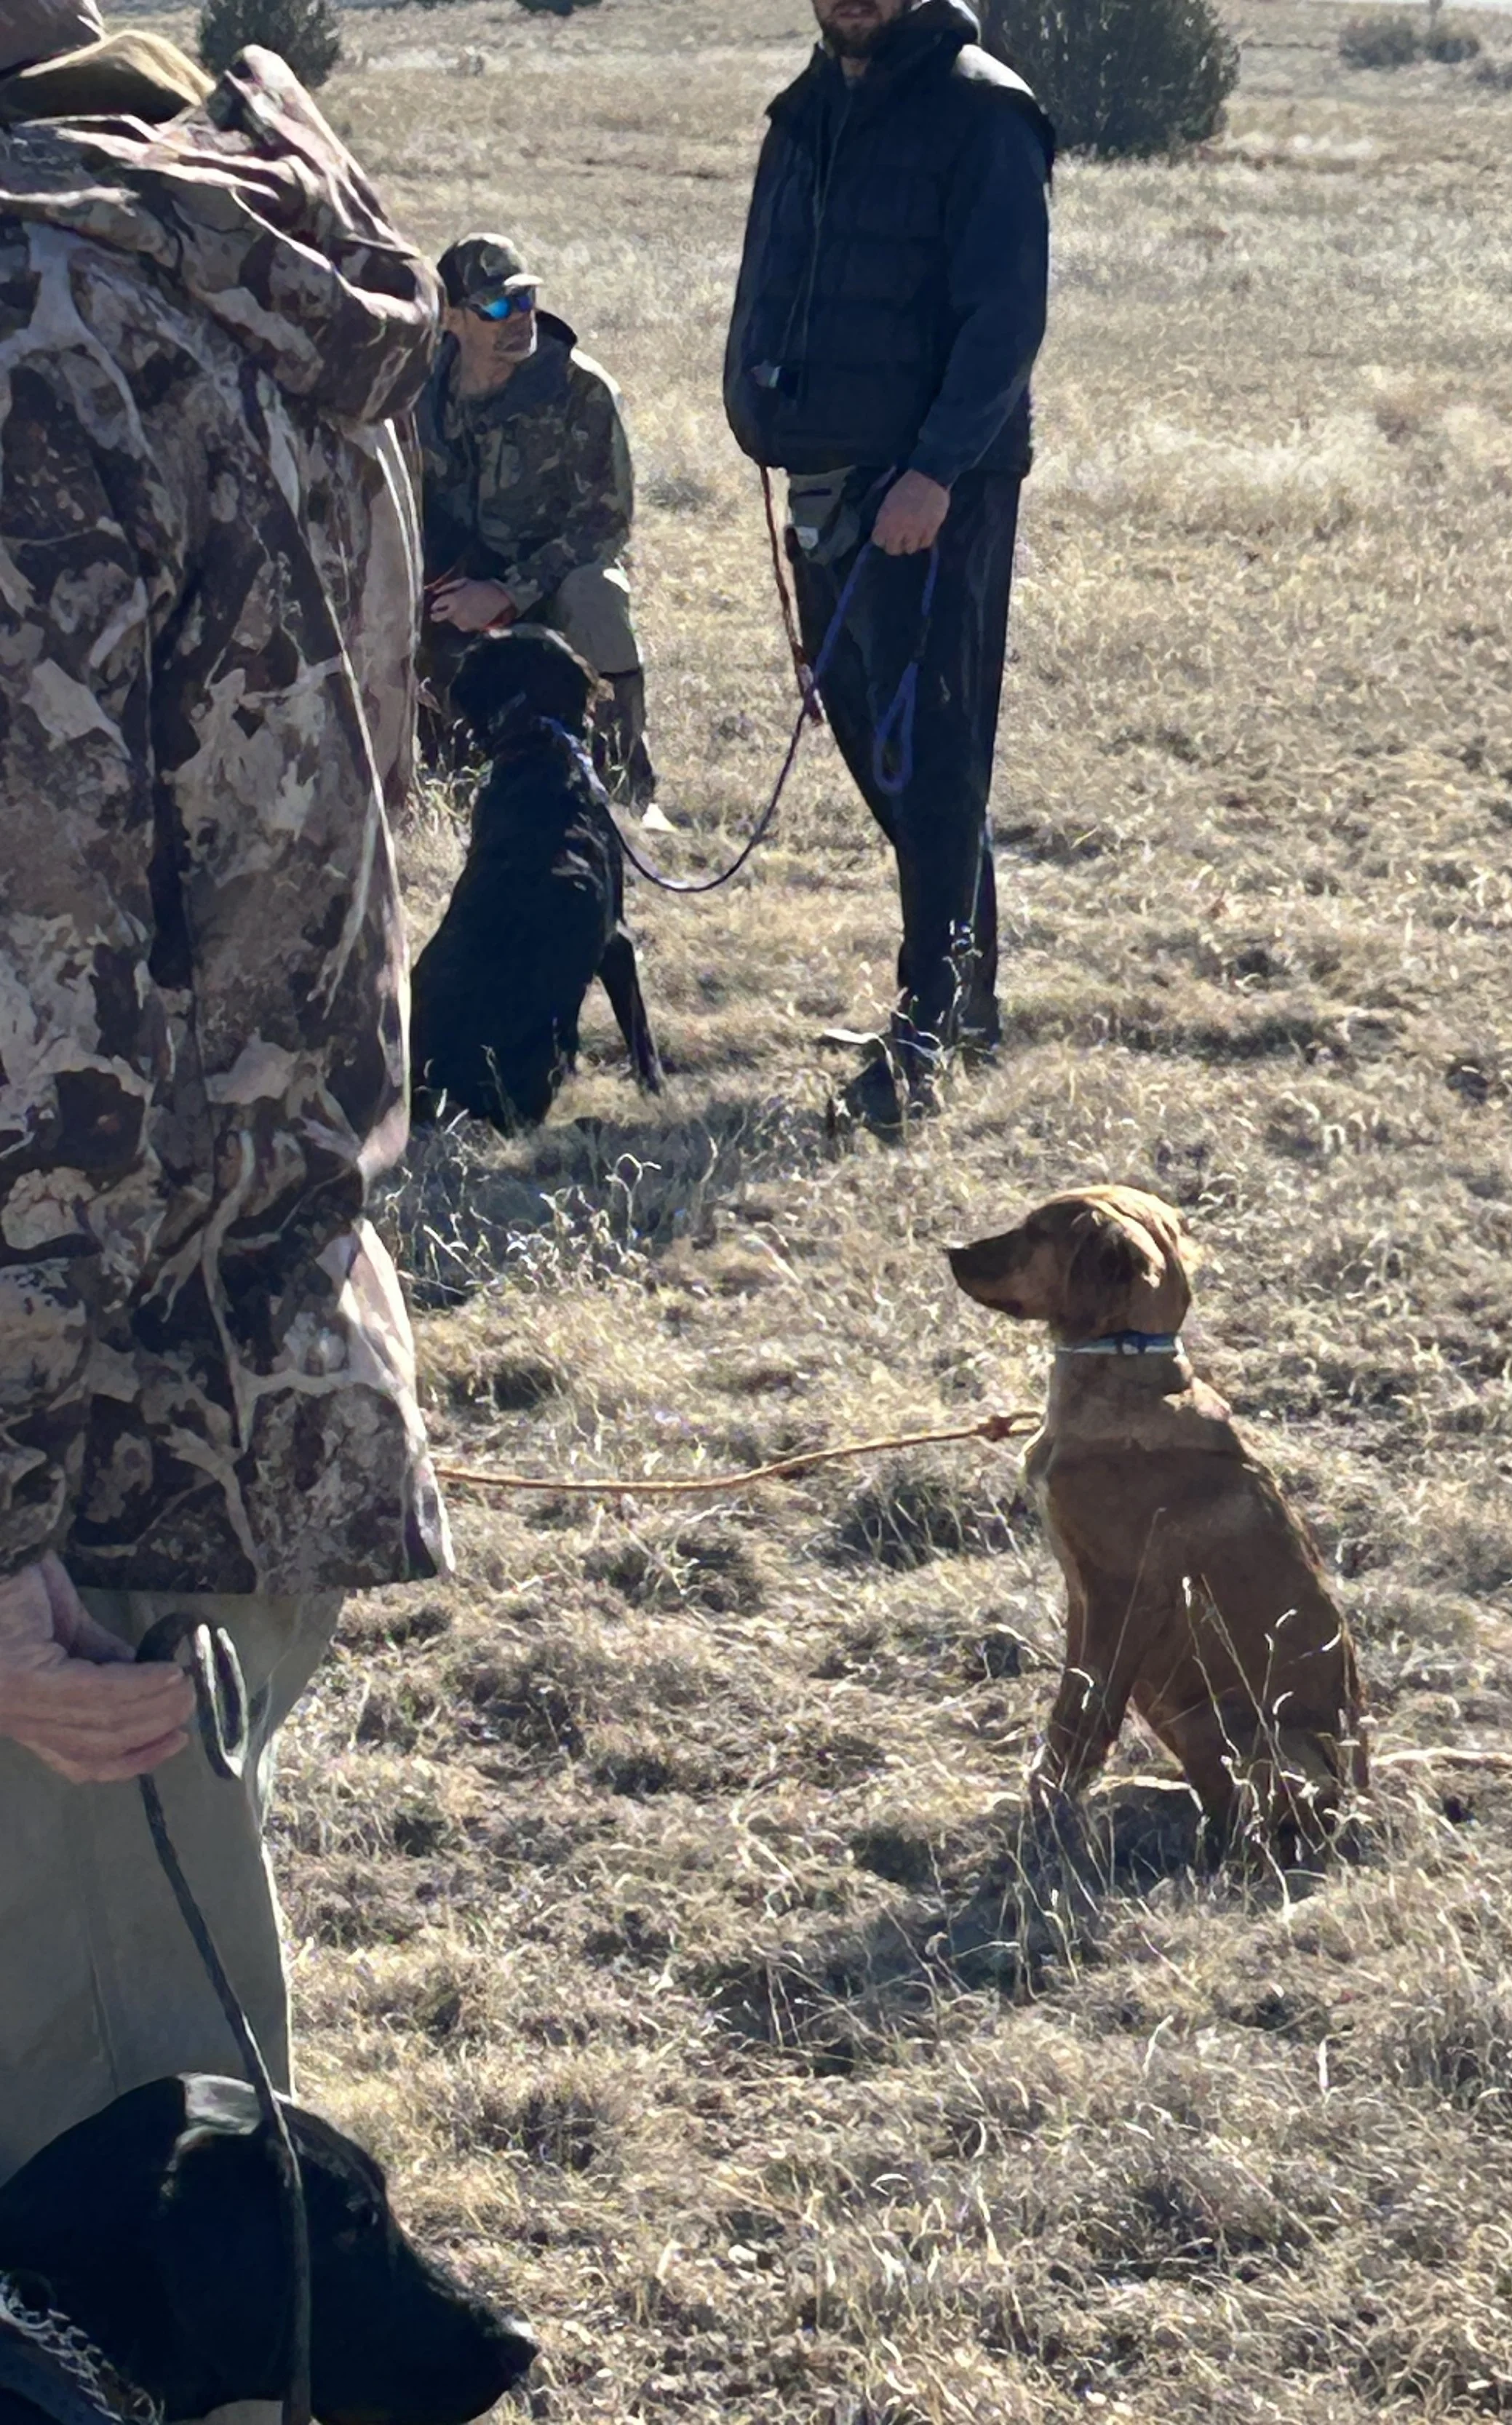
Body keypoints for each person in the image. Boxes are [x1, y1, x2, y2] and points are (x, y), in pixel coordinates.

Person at [0, 0, 445, 2270]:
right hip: (234, 1367)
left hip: (83, 1493)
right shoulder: (229, 253)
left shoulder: (33, 317)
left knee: (90, 2274)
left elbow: (34, 1006)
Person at [724, 0, 1053, 1134]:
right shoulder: (804, 113)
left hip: (929, 497)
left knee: (937, 750)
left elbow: (1005, 323)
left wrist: (935, 472)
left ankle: (929, 1026)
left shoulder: (983, 111)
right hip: (823, 488)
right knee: (878, 744)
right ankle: (961, 998)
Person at [418, 231, 655, 796]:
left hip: (552, 576)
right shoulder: (419, 389)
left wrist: (506, 592)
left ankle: (625, 781)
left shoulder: (580, 389)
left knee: (597, 593)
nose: (518, 317)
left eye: (525, 299)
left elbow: (605, 524)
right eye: (497, 306)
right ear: (451, 318)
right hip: (452, 579)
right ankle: (429, 772)